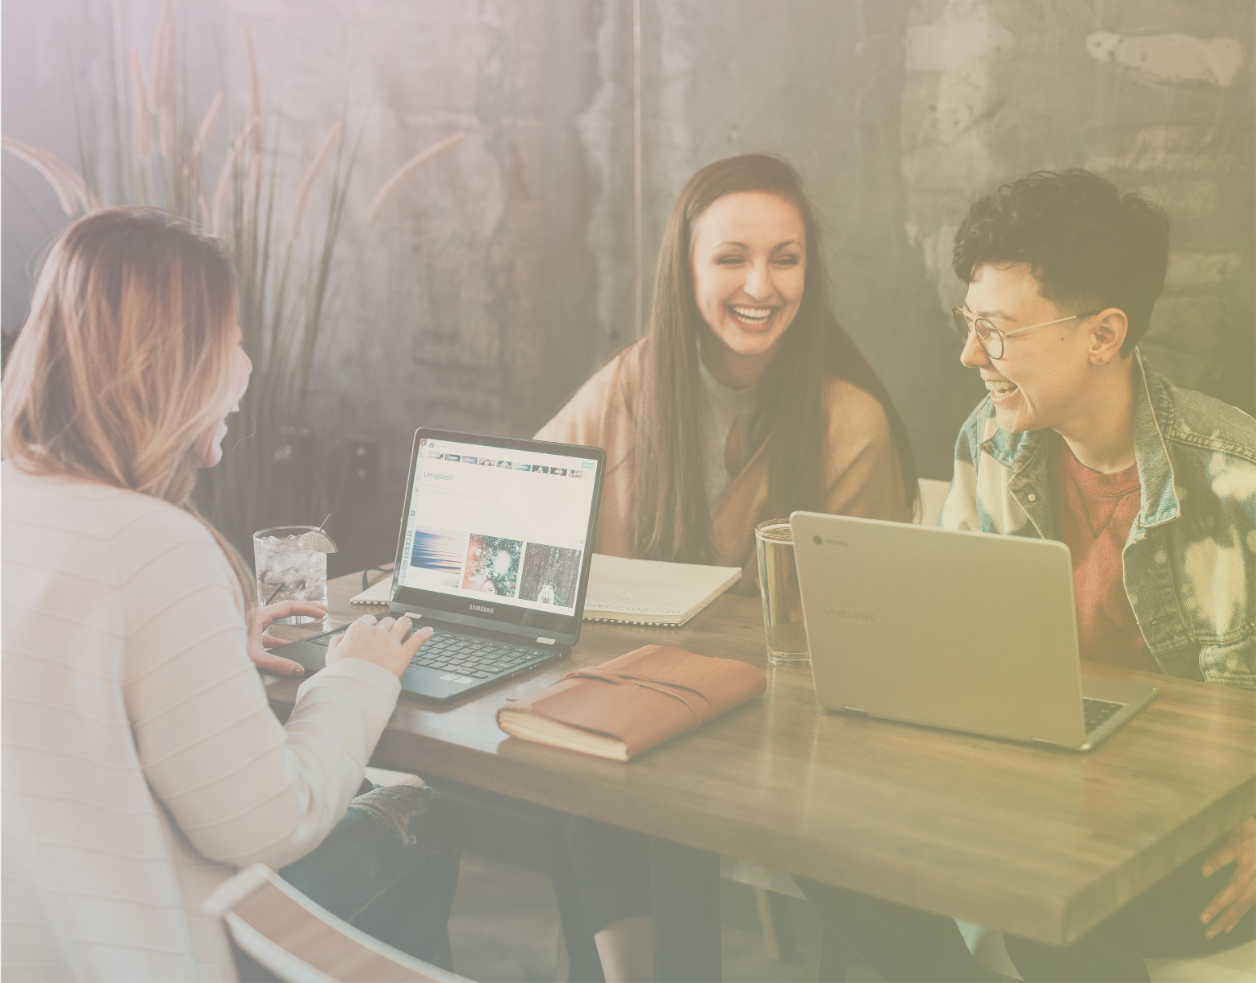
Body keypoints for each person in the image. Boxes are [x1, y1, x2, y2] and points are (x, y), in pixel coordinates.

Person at [800, 168, 1256, 982]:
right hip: (1039, 797)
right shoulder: (991, 443)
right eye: (968, 323)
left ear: (1103, 334)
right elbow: (949, 649)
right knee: (822, 839)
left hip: (1202, 831)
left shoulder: (1235, 475)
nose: (970, 353)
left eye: (998, 330)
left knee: (1057, 903)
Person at [0, 209, 459, 981]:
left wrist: (208, 645)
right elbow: (266, 825)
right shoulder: (152, 544)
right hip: (147, 952)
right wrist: (358, 675)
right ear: (162, 363)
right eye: (233, 338)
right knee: (415, 812)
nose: (246, 364)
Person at [536, 153, 919, 982]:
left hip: (786, 737)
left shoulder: (848, 421)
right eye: (732, 257)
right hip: (640, 713)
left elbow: (857, 635)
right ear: (685, 268)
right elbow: (533, 503)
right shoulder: (634, 381)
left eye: (786, 258)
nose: (762, 284)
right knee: (581, 760)